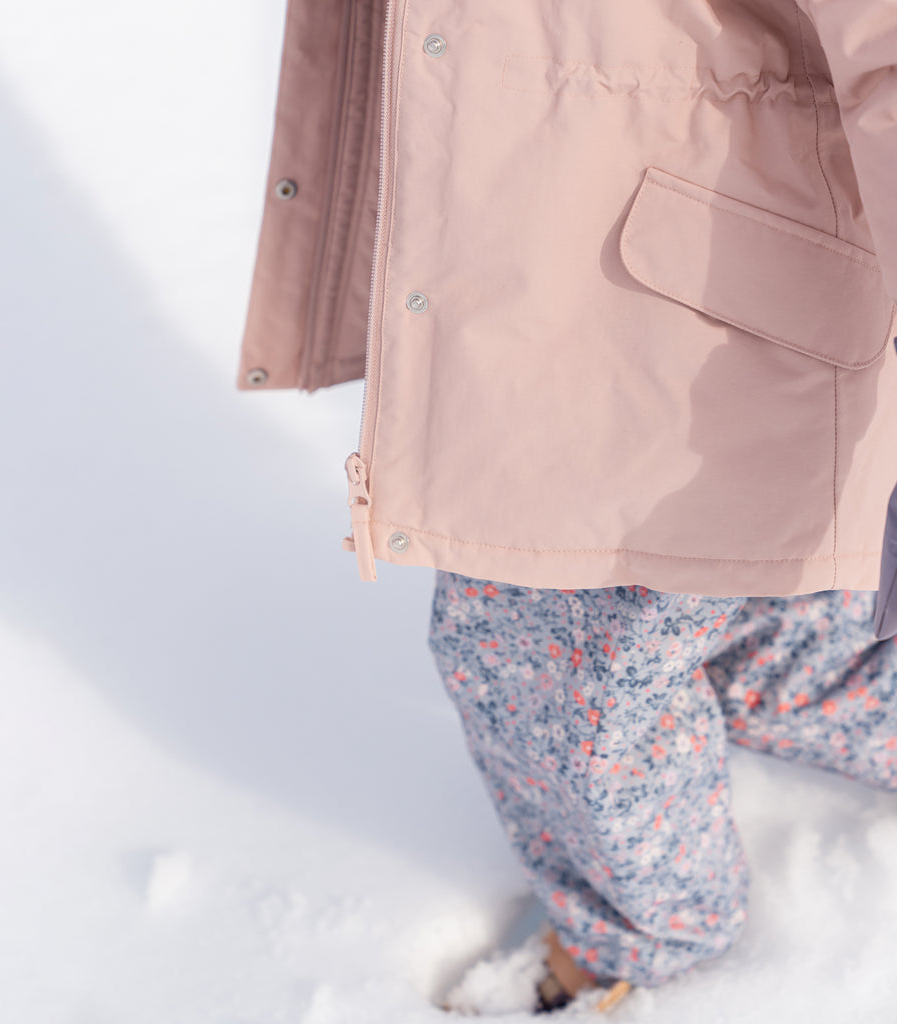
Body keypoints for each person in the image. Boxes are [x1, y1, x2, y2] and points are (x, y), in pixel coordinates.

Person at [238, 0, 897, 1011]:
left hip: (651, 331)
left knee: (552, 671)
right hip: (614, 277)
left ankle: (641, 933)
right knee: (740, 605)